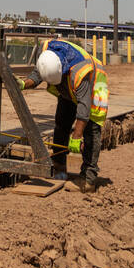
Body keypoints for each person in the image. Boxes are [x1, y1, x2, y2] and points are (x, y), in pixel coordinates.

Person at [19, 36, 109, 193]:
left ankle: (88, 179)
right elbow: (38, 74)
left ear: (63, 71)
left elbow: (84, 107)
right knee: (61, 124)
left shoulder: (80, 72)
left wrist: (76, 136)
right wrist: (24, 83)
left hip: (93, 86)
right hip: (68, 88)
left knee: (91, 132)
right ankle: (59, 169)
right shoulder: (47, 54)